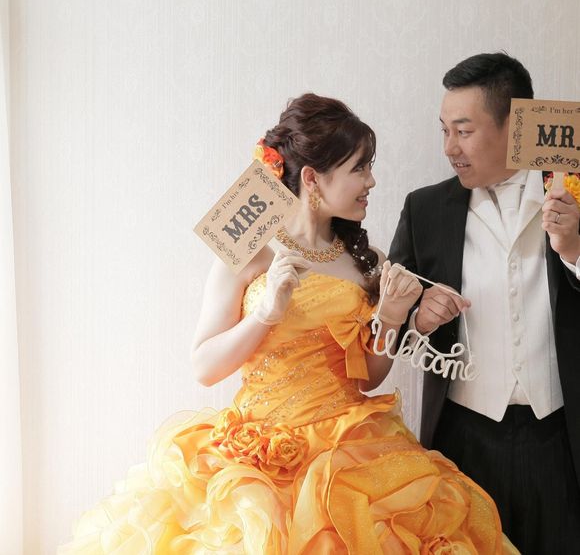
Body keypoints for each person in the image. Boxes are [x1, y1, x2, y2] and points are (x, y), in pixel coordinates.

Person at [60, 93, 517, 554]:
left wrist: (396, 319)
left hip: (350, 449)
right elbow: (204, 367)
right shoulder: (249, 252)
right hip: (257, 460)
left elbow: (367, 378)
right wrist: (265, 314)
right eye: (359, 168)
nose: (371, 181)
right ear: (313, 178)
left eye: (370, 166)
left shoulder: (368, 262)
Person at [389, 52, 580, 554]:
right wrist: (419, 318)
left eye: (464, 131)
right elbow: (388, 325)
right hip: (463, 438)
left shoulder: (572, 192)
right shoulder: (424, 209)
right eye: (444, 130)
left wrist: (574, 252)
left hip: (560, 437)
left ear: (515, 127)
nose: (449, 147)